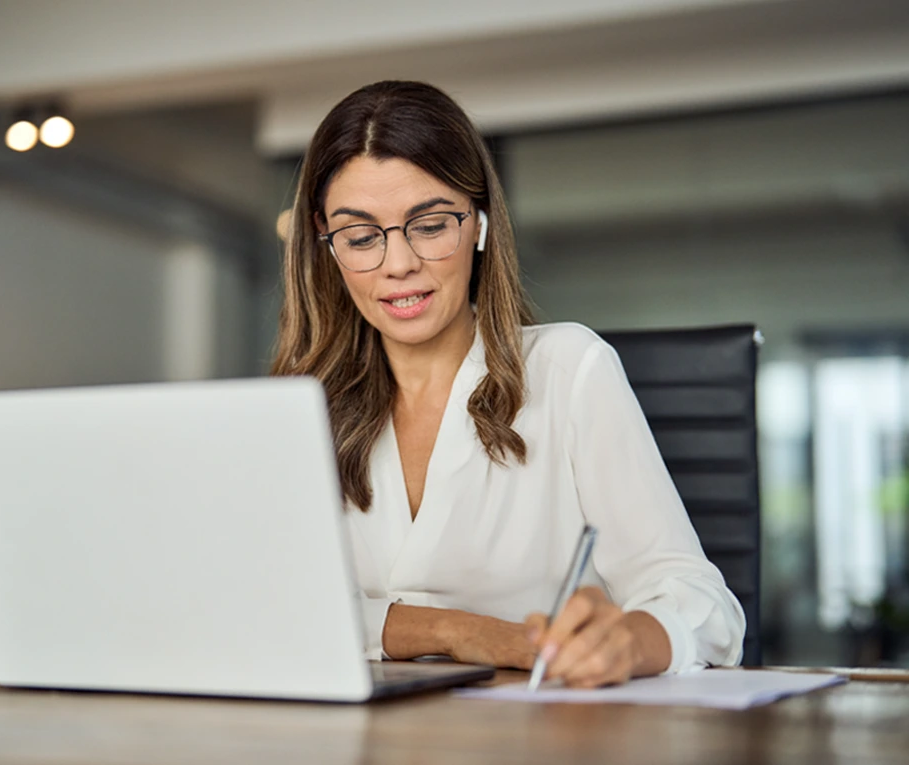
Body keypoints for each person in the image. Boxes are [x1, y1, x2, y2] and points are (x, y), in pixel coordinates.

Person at [271, 81, 745, 687]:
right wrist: (460, 632)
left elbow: (703, 601)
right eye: (361, 236)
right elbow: (273, 610)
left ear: (479, 222)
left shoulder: (569, 368)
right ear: (327, 244)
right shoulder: (299, 407)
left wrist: (633, 639)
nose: (397, 264)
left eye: (431, 224)